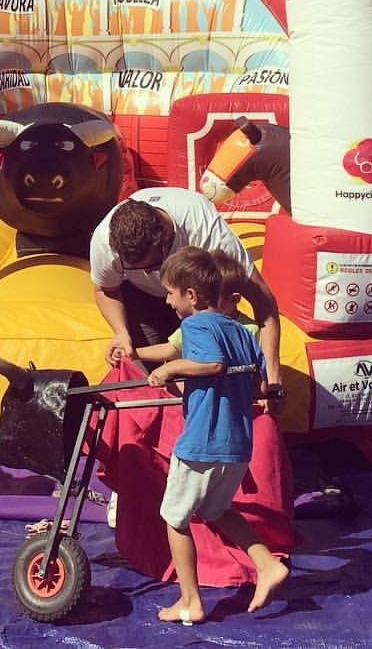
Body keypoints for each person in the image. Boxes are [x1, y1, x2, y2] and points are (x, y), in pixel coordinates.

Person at [146, 246, 289, 624]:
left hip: (202, 442)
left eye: (170, 293)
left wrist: (169, 369)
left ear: (191, 296)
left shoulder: (196, 325)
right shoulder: (242, 332)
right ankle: (266, 563)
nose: (167, 300)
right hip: (237, 445)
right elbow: (257, 385)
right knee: (217, 510)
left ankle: (190, 600)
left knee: (174, 517)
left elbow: (211, 364)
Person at [89, 187, 283, 401]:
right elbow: (106, 290)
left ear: (167, 241)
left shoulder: (204, 230)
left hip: (201, 303)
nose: (147, 273)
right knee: (153, 384)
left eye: (152, 267)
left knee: (206, 379)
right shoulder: (104, 244)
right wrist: (121, 333)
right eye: (135, 268)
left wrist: (272, 380)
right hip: (140, 297)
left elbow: (263, 302)